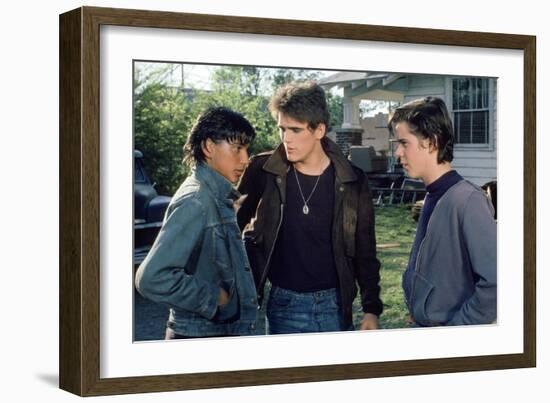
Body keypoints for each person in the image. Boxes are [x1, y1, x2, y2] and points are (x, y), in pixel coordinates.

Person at [237, 81, 383, 334]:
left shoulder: (352, 179)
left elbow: (365, 247)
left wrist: (371, 308)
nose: (286, 139)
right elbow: (231, 230)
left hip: (335, 306)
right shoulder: (263, 170)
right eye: (282, 129)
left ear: (319, 130)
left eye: (295, 130)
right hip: (284, 304)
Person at [135, 106, 259, 339]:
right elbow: (151, 278)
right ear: (209, 147)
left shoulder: (214, 195)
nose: (245, 159)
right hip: (200, 337)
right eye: (237, 148)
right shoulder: (197, 200)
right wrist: (215, 298)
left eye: (246, 149)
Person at [389, 96, 497, 327]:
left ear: (431, 141)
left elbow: (496, 283)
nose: (397, 152)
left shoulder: (468, 201)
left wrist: (454, 333)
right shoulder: (432, 194)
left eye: (404, 143)